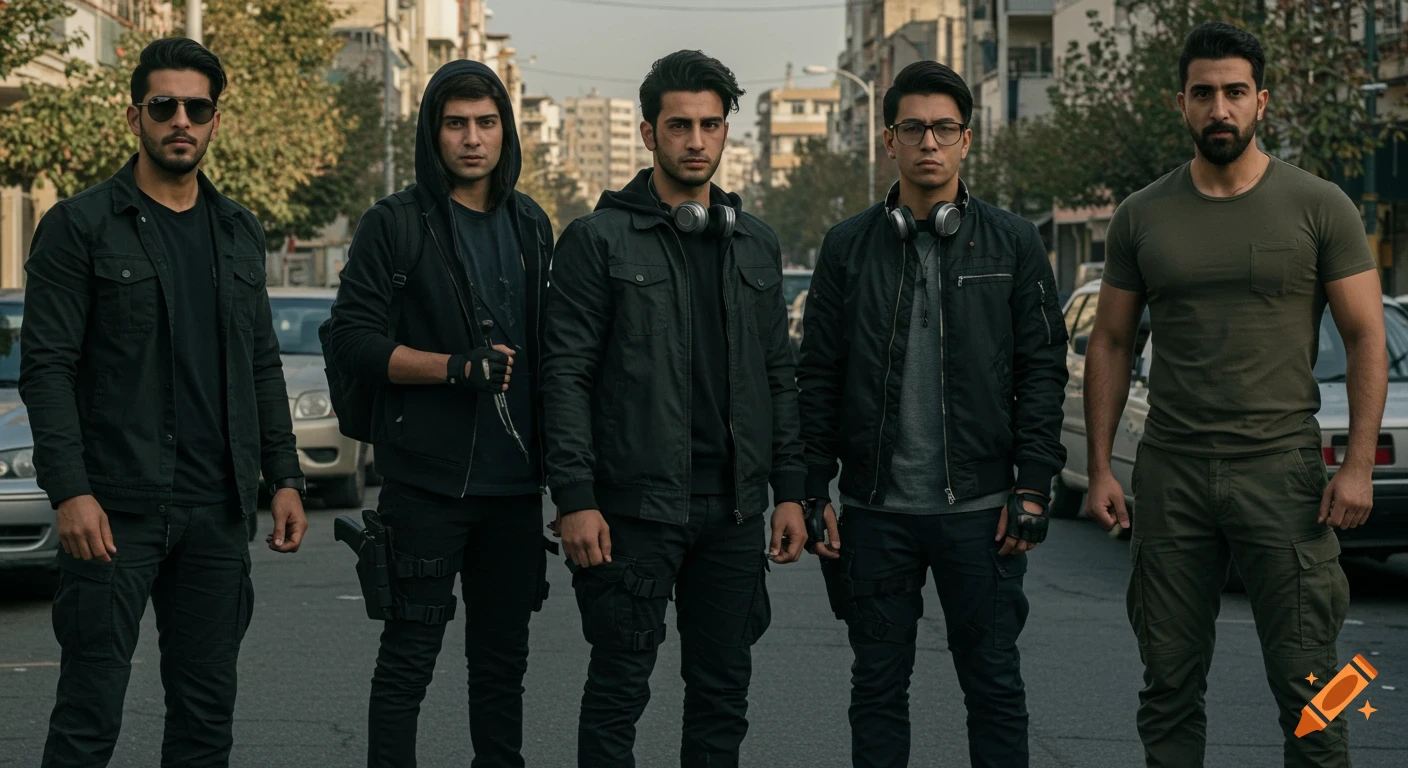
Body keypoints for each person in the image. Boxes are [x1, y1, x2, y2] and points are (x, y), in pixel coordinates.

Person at [1083, 22, 1386, 768]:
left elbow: (1367, 338)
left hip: (1282, 472)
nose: (1220, 108)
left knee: (1317, 684)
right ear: (1181, 104)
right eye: (1204, 93)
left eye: (1235, 93)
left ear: (1262, 102)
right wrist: (1098, 469)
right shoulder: (1142, 214)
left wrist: (1354, 465)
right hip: (1173, 471)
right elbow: (1112, 343)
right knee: (1169, 684)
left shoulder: (1320, 206)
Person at [20, 38, 307, 768]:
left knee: (206, 722)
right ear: (134, 117)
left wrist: (285, 477)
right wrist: (70, 491)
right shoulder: (80, 227)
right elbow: (48, 368)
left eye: (197, 106)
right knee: (89, 718)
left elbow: (260, 364)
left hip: (217, 511)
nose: (181, 119)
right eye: (164, 105)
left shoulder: (239, 230)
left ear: (216, 120)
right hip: (116, 508)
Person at [795, 61, 1069, 768]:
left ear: (966, 141)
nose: (929, 143)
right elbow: (817, 376)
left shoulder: (1012, 243)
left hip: (981, 514)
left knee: (995, 687)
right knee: (878, 688)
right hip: (876, 511)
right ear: (889, 139)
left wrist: (1033, 484)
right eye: (913, 128)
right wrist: (808, 488)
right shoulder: (846, 247)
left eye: (944, 129)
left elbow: (1042, 371)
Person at [542, 49, 808, 767]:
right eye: (680, 125)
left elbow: (778, 375)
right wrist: (575, 497)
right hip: (631, 511)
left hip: (731, 512)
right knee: (619, 688)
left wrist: (792, 493)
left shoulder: (754, 243)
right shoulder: (596, 241)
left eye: (711, 125)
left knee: (723, 692)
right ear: (648, 132)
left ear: (727, 133)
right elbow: (562, 376)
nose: (696, 140)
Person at [322, 60, 555, 768]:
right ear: (433, 132)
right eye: (456, 124)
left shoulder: (529, 223)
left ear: (505, 132)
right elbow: (354, 340)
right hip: (426, 484)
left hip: (515, 492)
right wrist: (453, 369)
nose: (473, 139)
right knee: (407, 665)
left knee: (501, 670)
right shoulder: (394, 223)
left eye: (486, 123)